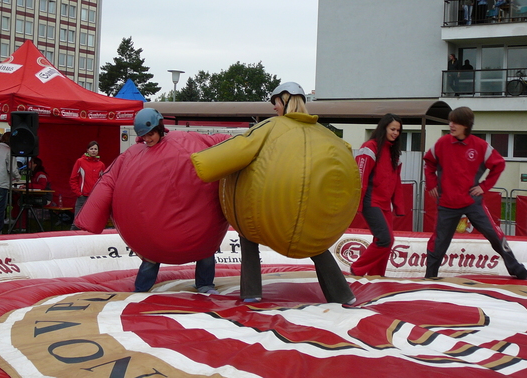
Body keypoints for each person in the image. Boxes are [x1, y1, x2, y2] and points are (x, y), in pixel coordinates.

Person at [191, 82, 360, 304]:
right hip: (313, 218)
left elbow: (239, 147)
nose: (274, 108)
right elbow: (347, 160)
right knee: (316, 245)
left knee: (248, 237)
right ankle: (343, 295)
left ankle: (251, 293)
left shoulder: (270, 128)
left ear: (286, 100)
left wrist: (200, 161)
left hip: (268, 212)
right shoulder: (328, 136)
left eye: (276, 103)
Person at [74, 108, 230, 294]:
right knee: (152, 256)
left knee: (205, 250)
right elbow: (107, 181)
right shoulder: (133, 154)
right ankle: (141, 289)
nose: (148, 139)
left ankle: (204, 284)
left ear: (160, 128)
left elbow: (217, 143)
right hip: (154, 231)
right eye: (144, 136)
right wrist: (90, 218)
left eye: (151, 134)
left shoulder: (185, 140)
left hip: (196, 226)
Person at [424, 106, 527, 280]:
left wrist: (484, 186)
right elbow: (428, 162)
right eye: (451, 121)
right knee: (439, 242)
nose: (451, 125)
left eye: (455, 122)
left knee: (495, 235)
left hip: (473, 202)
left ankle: (515, 268)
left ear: (466, 125)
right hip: (447, 203)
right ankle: (429, 276)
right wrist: (431, 183)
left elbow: (499, 164)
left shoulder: (480, 146)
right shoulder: (442, 143)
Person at [350, 114, 404, 277]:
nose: (395, 133)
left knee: (388, 241)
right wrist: (358, 203)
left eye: (398, 130)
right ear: (384, 128)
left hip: (384, 203)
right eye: (392, 129)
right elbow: (360, 176)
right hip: (370, 201)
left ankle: (376, 276)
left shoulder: (395, 153)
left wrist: (399, 206)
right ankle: (356, 269)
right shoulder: (370, 147)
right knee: (384, 239)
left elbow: (396, 181)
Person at [69, 141, 105, 230]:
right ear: (87, 150)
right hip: (82, 196)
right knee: (77, 222)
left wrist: (99, 194)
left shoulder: (101, 165)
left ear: (98, 151)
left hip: (94, 197)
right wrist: (78, 193)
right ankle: (71, 240)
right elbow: (73, 179)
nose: (93, 151)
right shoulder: (80, 162)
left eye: (95, 149)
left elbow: (103, 181)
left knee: (92, 221)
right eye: (91, 149)